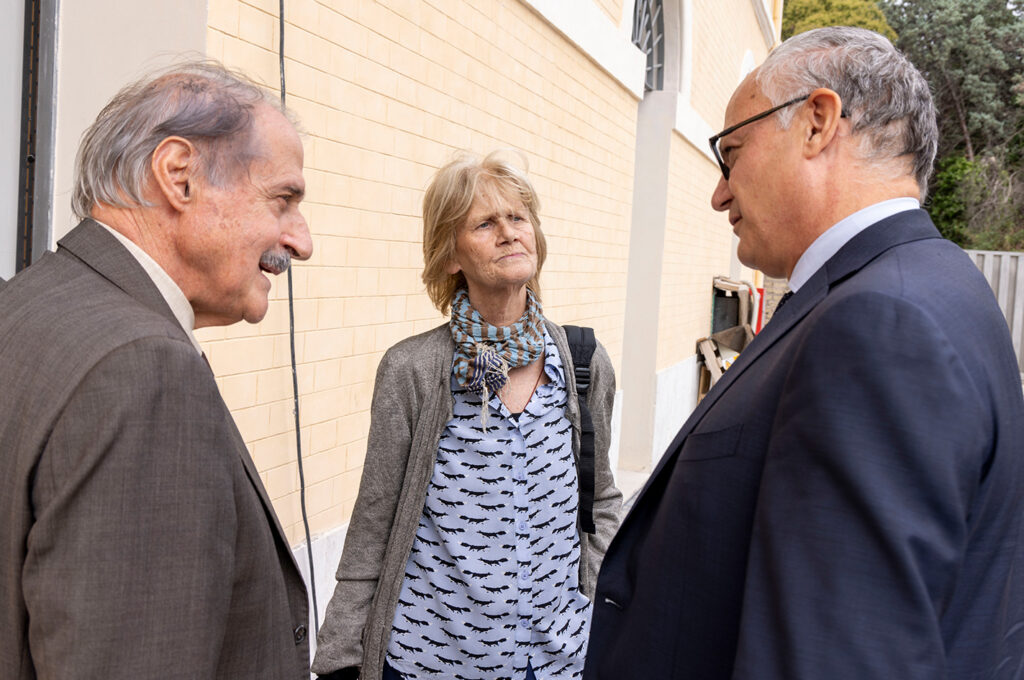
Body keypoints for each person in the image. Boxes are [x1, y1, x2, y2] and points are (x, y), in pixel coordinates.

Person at [585, 26, 1024, 680]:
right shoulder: (924, 287)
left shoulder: (881, 323)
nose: (719, 192)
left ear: (817, 124)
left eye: (729, 152)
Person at [0, 61, 314, 679]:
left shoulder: (28, 304)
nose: (301, 241)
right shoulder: (145, 372)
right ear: (179, 177)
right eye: (282, 199)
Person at [312, 151, 622, 680]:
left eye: (518, 217)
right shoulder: (412, 369)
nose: (509, 233)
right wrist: (342, 657)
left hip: (556, 660)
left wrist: (596, 596)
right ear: (451, 255)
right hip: (431, 660)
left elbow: (601, 497)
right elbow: (374, 525)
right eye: (485, 223)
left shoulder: (583, 363)